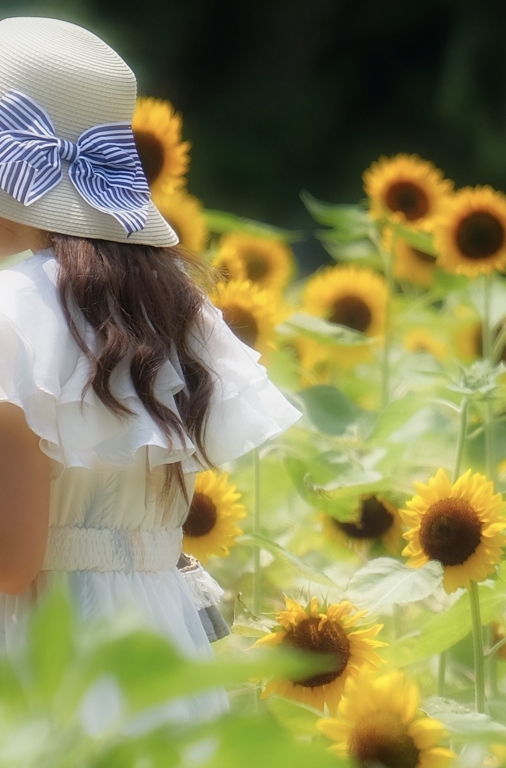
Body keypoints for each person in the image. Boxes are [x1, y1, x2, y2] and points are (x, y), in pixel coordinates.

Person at [0, 17, 301, 723]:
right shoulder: (173, 308)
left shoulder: (15, 312)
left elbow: (12, 561)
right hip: (162, 646)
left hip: (50, 651)